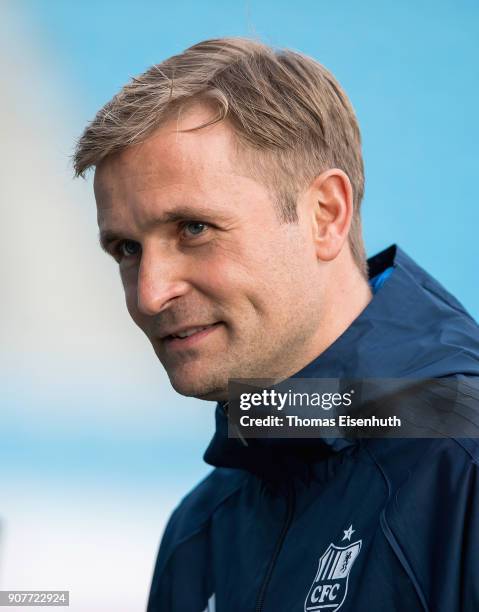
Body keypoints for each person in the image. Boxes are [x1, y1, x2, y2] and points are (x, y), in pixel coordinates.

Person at [74, 38, 479, 612]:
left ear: (324, 215)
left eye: (193, 229)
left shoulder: (464, 471)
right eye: (126, 249)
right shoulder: (200, 532)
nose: (150, 293)